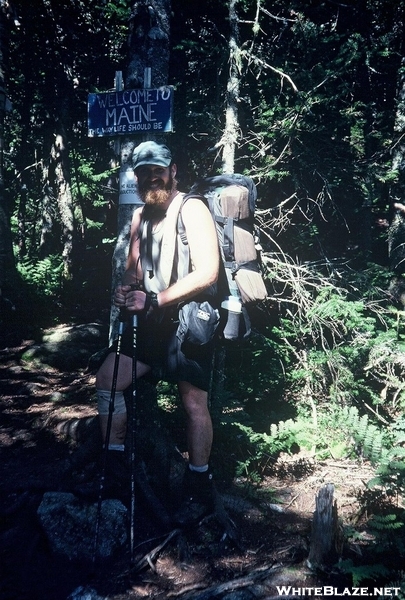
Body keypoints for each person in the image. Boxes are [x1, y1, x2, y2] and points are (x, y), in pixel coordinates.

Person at [95, 141, 220, 525]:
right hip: (150, 322)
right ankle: (115, 469)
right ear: (137, 177)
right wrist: (126, 291)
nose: (152, 176)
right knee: (107, 380)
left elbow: (208, 272)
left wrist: (154, 300)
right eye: (144, 172)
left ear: (173, 170)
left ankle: (200, 486)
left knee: (194, 404)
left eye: (158, 170)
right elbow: (134, 273)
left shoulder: (192, 208)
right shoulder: (140, 217)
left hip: (189, 321)